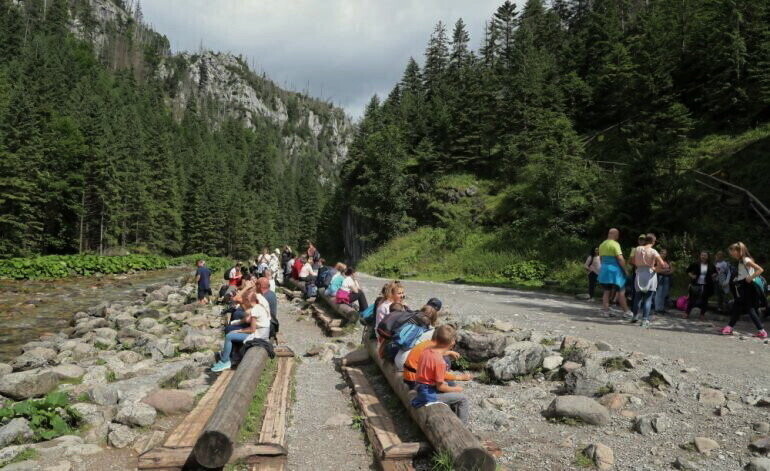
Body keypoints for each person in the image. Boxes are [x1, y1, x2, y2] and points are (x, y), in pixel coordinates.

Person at [409, 325, 470, 424]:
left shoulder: (427, 350)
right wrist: (456, 389)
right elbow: (440, 387)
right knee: (463, 399)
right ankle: (462, 426)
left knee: (450, 383)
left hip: (419, 385)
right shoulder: (440, 362)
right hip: (428, 395)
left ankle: (452, 411)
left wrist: (449, 352)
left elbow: (437, 353)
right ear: (452, 342)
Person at [212, 288, 271, 372]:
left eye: (244, 301)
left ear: (247, 301)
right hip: (262, 334)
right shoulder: (259, 306)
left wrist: (239, 331)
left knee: (229, 336)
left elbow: (252, 329)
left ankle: (225, 362)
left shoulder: (255, 310)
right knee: (232, 333)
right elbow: (248, 321)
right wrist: (237, 323)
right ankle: (228, 358)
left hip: (259, 337)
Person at [721, 242, 767, 338]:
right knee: (738, 306)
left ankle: (762, 331)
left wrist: (750, 277)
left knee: (749, 309)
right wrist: (737, 278)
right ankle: (729, 328)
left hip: (748, 287)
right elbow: (744, 273)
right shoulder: (742, 260)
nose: (731, 254)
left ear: (738, 251)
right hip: (744, 286)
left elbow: (760, 269)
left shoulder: (745, 260)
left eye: (732, 251)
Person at [630, 234, 665, 328]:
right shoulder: (653, 251)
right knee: (648, 299)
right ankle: (644, 320)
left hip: (639, 273)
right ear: (653, 242)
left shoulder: (637, 249)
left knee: (637, 297)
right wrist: (656, 269)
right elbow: (662, 264)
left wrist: (639, 264)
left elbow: (632, 261)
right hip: (650, 273)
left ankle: (635, 316)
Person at [598, 228, 632, 318]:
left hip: (604, 270)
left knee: (606, 291)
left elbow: (600, 259)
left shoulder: (602, 244)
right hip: (615, 271)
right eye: (617, 234)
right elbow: (620, 258)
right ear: (613, 234)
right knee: (621, 291)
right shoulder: (615, 244)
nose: (618, 236)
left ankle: (606, 311)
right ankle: (626, 312)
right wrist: (625, 270)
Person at [686, 251, 717, 319]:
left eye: (705, 255)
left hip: (706, 284)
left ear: (708, 257)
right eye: (702, 255)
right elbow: (688, 271)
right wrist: (692, 276)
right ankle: (687, 313)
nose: (703, 257)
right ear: (700, 256)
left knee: (705, 300)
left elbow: (715, 272)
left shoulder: (711, 265)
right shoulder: (695, 264)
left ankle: (702, 314)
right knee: (692, 299)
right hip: (696, 284)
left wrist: (713, 275)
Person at [257, 276, 279, 342]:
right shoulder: (272, 293)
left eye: (256, 284)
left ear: (259, 286)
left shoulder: (263, 297)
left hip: (266, 325)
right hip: (272, 323)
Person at [654, 249, 674, 315]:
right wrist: (666, 270)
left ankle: (661, 308)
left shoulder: (667, 261)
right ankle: (657, 309)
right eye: (662, 253)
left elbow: (672, 270)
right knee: (658, 293)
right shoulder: (657, 260)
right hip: (660, 278)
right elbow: (657, 270)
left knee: (664, 294)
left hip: (667, 278)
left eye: (665, 254)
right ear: (659, 253)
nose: (664, 255)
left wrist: (666, 271)